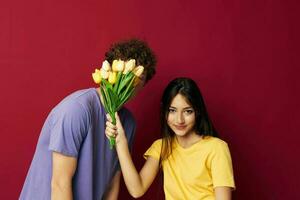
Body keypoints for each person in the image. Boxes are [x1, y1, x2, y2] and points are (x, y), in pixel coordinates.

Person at [19, 38, 157, 200]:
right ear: (110, 70)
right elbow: (60, 183)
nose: (129, 82)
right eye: (124, 74)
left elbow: (112, 182)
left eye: (138, 79)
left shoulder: (128, 123)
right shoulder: (76, 109)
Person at [105, 77, 235, 200]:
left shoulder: (216, 148)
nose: (179, 120)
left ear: (197, 112)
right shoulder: (161, 147)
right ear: (165, 112)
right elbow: (137, 190)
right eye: (172, 110)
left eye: (187, 111)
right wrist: (120, 141)